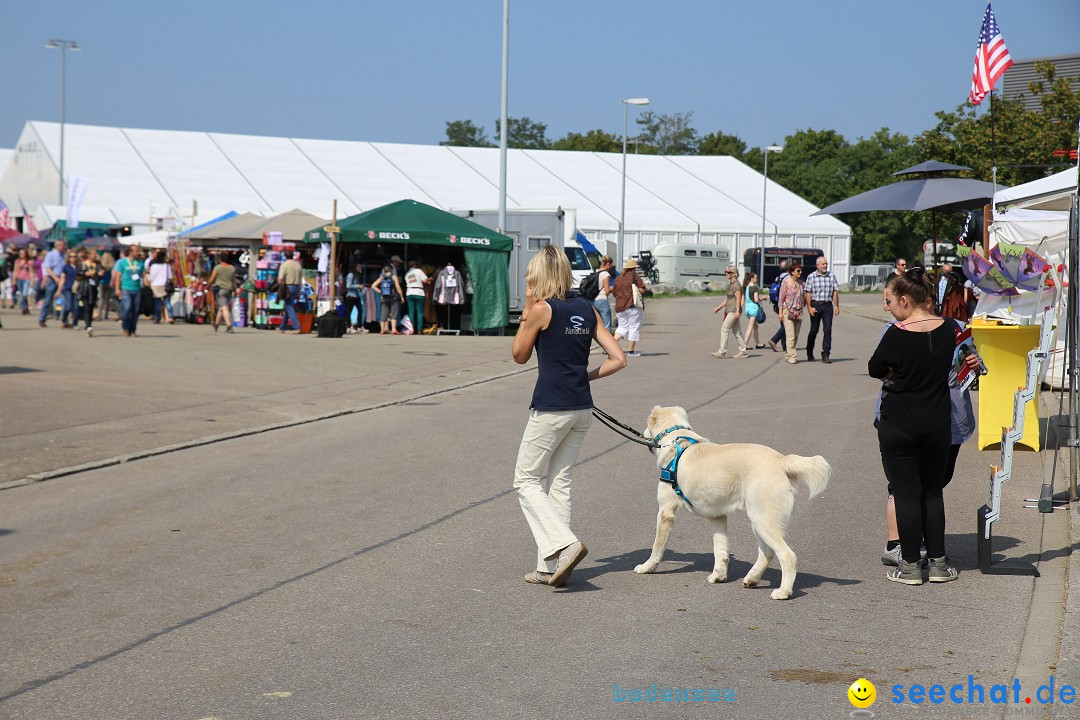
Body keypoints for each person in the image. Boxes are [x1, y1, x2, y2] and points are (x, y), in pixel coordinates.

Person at [511, 244, 626, 588]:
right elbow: (619, 358)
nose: (528, 284)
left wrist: (528, 310)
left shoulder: (541, 310)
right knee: (559, 483)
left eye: (530, 279)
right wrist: (586, 376)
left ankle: (566, 544)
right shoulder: (587, 309)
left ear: (539, 278)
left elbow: (518, 354)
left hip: (551, 408)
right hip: (581, 408)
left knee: (526, 480)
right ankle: (549, 567)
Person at [879, 278, 981, 567]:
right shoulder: (893, 331)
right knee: (901, 487)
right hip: (905, 416)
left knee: (935, 485)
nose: (888, 308)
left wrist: (975, 364)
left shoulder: (955, 329)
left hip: (948, 418)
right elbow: (879, 368)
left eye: (890, 301)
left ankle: (919, 547)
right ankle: (898, 545)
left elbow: (974, 363)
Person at [868, 269, 960, 585]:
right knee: (932, 493)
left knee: (906, 494)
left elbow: (874, 369)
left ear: (906, 300)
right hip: (937, 423)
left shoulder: (896, 333)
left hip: (899, 423)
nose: (889, 308)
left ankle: (909, 566)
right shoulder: (950, 328)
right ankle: (937, 563)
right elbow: (966, 362)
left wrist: (895, 373)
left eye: (891, 302)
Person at [803, 256, 841, 363]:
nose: (825, 266)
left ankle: (826, 354)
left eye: (826, 264)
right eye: (823, 264)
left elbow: (835, 291)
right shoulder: (811, 277)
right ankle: (809, 352)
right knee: (814, 331)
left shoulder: (831, 276)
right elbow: (808, 293)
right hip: (815, 305)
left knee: (827, 330)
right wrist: (809, 307)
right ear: (817, 265)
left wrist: (836, 305)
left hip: (827, 306)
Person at [612, 258, 647, 357]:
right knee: (633, 328)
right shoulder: (634, 276)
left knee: (622, 328)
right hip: (633, 306)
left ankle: (609, 347)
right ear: (634, 268)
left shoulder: (618, 278)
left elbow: (614, 293)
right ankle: (631, 351)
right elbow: (642, 290)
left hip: (620, 307)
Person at [711, 265, 747, 359]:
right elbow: (728, 299)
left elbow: (739, 298)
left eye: (728, 272)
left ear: (734, 274)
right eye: (725, 272)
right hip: (730, 310)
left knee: (724, 329)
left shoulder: (736, 285)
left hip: (733, 311)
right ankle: (743, 351)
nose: (726, 274)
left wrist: (738, 311)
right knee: (737, 332)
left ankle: (722, 351)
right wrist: (719, 307)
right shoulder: (730, 285)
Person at [114, 244, 145, 338]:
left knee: (135, 311)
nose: (137, 253)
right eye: (136, 251)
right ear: (130, 252)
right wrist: (117, 288)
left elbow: (144, 275)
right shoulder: (123, 262)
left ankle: (133, 329)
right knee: (126, 308)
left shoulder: (140, 263)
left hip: (137, 289)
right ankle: (125, 329)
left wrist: (148, 283)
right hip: (126, 289)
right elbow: (118, 276)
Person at [777, 263, 805, 364]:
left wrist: (809, 307)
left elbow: (804, 298)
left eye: (801, 270)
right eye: (798, 271)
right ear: (792, 272)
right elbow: (781, 298)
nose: (800, 272)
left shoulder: (801, 283)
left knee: (796, 334)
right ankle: (792, 356)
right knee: (790, 335)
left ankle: (788, 353)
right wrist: (780, 312)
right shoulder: (786, 283)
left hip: (798, 312)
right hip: (787, 310)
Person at [38, 239, 66, 328]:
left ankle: (59, 315)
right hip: (52, 278)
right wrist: (55, 278)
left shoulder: (64, 255)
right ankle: (42, 318)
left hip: (61, 279)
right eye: (61, 245)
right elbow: (47, 268)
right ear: (57, 245)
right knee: (48, 298)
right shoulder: (51, 254)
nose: (62, 247)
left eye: (63, 245)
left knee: (60, 298)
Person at [76, 250, 103, 336]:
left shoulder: (98, 264)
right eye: (94, 254)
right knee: (87, 307)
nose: (95, 255)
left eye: (96, 254)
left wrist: (100, 273)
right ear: (89, 255)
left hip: (94, 288)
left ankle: (89, 324)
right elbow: (77, 275)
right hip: (85, 288)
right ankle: (88, 326)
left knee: (91, 306)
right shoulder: (83, 264)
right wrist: (84, 274)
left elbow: (100, 272)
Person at [209, 254, 237, 333]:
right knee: (222, 307)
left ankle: (229, 325)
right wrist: (235, 290)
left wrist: (208, 286)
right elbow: (234, 281)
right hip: (229, 289)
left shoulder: (218, 268)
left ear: (220, 260)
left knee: (224, 307)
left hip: (221, 289)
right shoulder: (232, 268)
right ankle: (216, 324)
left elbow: (212, 279)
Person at [277, 251, 304, 334]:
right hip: (296, 287)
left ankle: (297, 327)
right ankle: (282, 327)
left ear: (285, 256)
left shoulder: (284, 265)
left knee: (289, 306)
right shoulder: (298, 265)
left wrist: (278, 285)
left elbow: (280, 278)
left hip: (288, 287)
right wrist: (299, 291)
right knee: (288, 306)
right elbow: (300, 280)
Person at [767, 259, 789, 353]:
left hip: (777, 304)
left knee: (783, 323)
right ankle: (774, 340)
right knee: (787, 325)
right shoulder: (788, 278)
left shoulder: (778, 277)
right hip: (785, 304)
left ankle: (784, 346)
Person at [375, 264, 405, 334]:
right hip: (393, 297)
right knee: (394, 314)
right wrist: (402, 296)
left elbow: (373, 285)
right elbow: (398, 287)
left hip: (384, 297)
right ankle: (394, 329)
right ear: (391, 270)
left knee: (384, 313)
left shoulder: (381, 277)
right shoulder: (394, 277)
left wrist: (381, 292)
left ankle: (382, 329)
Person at [147, 249, 174, 324]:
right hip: (164, 285)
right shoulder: (166, 266)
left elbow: (151, 277)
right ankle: (170, 316)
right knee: (167, 302)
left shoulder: (153, 266)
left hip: (155, 285)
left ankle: (158, 317)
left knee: (157, 303)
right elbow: (170, 277)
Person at [403, 260, 430, 335]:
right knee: (419, 311)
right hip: (419, 292)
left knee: (411, 312)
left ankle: (411, 329)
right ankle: (419, 330)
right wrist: (430, 279)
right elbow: (425, 281)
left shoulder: (407, 273)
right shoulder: (419, 271)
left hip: (409, 292)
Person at [741, 271, 765, 350]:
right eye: (756, 278)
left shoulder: (746, 287)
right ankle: (744, 344)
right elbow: (756, 299)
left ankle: (758, 343)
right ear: (752, 278)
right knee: (750, 327)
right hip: (753, 308)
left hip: (747, 308)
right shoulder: (754, 287)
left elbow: (743, 300)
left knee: (755, 326)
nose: (757, 279)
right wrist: (763, 298)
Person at [593, 256, 614, 334]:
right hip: (602, 301)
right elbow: (607, 290)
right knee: (607, 325)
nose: (611, 267)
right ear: (608, 264)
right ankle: (607, 344)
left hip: (593, 300)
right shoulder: (605, 274)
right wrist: (613, 288)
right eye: (611, 264)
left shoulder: (596, 272)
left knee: (597, 324)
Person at [59, 249, 78, 328]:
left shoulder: (79, 267)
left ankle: (75, 323)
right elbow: (62, 278)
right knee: (68, 306)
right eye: (71, 257)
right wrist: (59, 290)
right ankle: (64, 320)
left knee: (76, 308)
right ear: (69, 258)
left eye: (74, 257)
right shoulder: (66, 267)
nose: (73, 258)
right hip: (67, 288)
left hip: (77, 289)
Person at [345, 263, 366, 334]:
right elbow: (348, 285)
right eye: (359, 267)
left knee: (360, 310)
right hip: (351, 295)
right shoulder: (351, 275)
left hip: (357, 295)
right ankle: (349, 327)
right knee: (349, 311)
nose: (360, 268)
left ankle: (360, 326)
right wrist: (358, 286)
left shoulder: (357, 276)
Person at [13, 248, 35, 315]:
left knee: (24, 294)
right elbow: (15, 270)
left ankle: (24, 307)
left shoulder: (29, 262)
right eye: (20, 253)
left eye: (23, 253)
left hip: (26, 279)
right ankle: (24, 308)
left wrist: (32, 281)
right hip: (19, 279)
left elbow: (31, 272)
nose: (22, 255)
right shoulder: (17, 261)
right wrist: (14, 280)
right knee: (21, 294)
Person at [97, 251, 115, 320]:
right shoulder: (112, 265)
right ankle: (106, 315)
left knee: (101, 299)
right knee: (107, 299)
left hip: (102, 282)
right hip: (109, 283)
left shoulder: (101, 265)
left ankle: (99, 314)